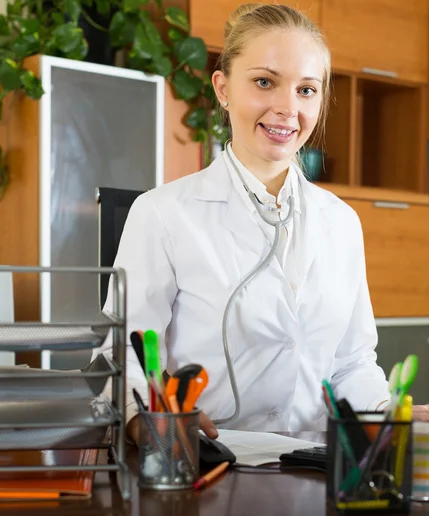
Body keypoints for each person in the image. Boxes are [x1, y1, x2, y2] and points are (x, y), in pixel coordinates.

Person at [94, 3, 392, 442]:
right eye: (264, 82)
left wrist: (385, 414)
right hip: (208, 464)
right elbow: (122, 355)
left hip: (317, 470)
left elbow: (352, 362)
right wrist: (149, 424)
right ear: (223, 88)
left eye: (306, 90)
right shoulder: (162, 213)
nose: (287, 108)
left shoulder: (342, 222)